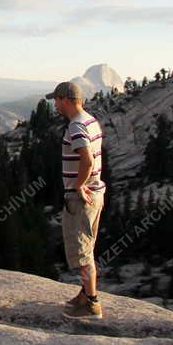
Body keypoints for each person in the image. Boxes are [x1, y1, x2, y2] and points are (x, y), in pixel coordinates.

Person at [48, 81, 106, 319]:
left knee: (82, 252)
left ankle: (92, 303)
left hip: (81, 197)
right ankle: (85, 293)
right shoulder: (91, 121)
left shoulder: (76, 126)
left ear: (66, 100)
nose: (55, 105)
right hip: (96, 193)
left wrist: (79, 185)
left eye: (56, 100)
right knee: (87, 248)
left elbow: (87, 160)